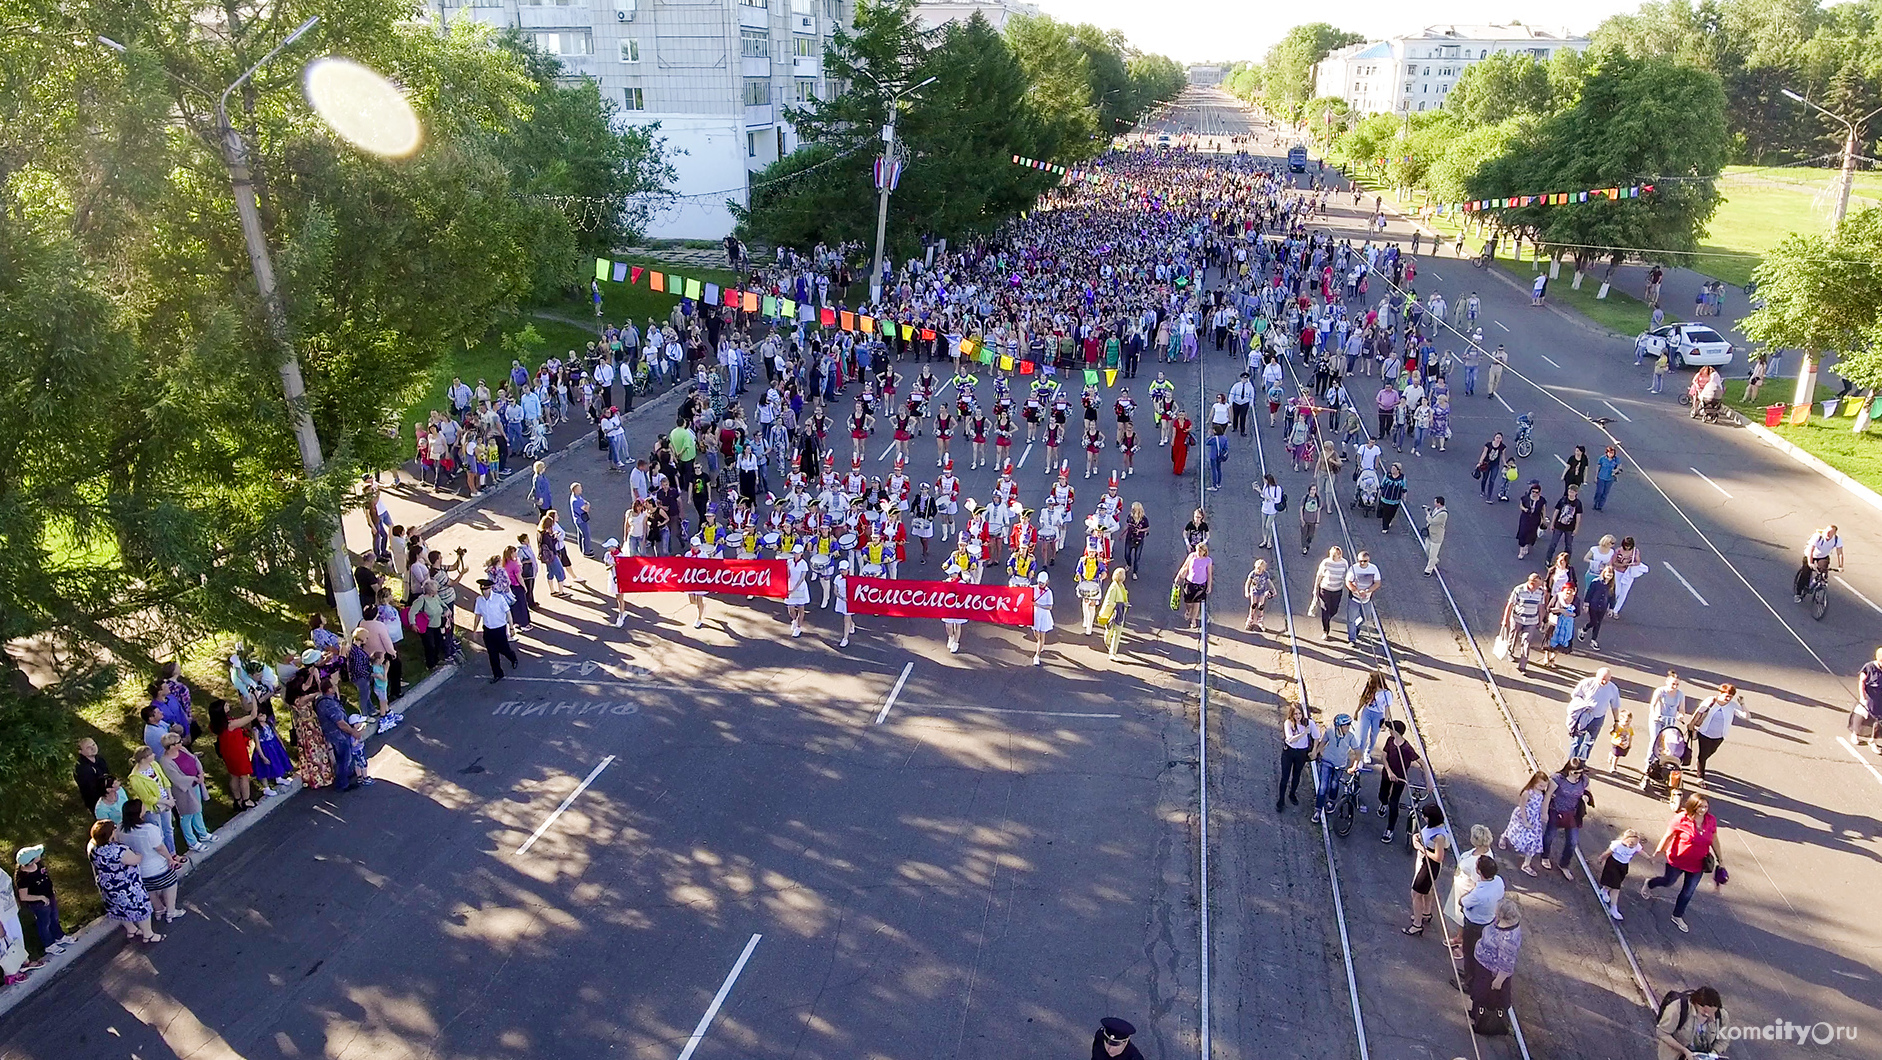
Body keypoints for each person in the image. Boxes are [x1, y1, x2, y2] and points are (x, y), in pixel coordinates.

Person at [1641, 794, 1724, 933]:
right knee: (1668, 882)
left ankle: (1677, 915)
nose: (1703, 810)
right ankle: (1649, 883)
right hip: (1677, 860)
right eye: (1700, 807)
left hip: (1698, 864)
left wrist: (1721, 860)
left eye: (1705, 807)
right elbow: (1668, 836)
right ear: (1692, 806)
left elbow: (1714, 840)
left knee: (1688, 891)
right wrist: (1658, 852)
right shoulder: (1681, 819)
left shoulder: (1711, 820)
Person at [88, 821, 159, 944]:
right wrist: (139, 854)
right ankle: (149, 935)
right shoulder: (118, 850)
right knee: (141, 909)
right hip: (127, 887)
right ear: (110, 834)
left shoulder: (92, 848)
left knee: (120, 909)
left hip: (108, 886)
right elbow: (134, 860)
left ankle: (131, 930)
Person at [119, 799, 184, 923]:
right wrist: (170, 859)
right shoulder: (149, 829)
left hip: (139, 870)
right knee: (170, 884)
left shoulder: (121, 829)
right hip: (157, 868)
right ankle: (171, 911)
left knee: (150, 890)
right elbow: (160, 848)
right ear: (139, 813)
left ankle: (158, 909)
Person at [1468, 897, 1523, 1035]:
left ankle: (1484, 1023)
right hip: (1483, 966)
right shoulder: (1500, 922)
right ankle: (1475, 1012)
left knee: (1485, 997)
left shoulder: (1508, 940)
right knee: (1478, 992)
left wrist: (1498, 981)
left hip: (1491, 973)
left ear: (1502, 915)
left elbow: (1506, 964)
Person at [13, 846, 75, 956]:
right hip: (39, 904)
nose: (39, 856)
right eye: (37, 855)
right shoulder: (23, 877)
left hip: (49, 896)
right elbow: (24, 896)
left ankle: (59, 936)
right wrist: (40, 898)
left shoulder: (38, 865)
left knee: (54, 917)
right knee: (44, 922)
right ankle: (49, 945)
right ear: (31, 862)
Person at [1539, 758, 1592, 880]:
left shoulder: (1584, 780)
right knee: (1549, 836)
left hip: (1572, 814)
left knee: (1572, 841)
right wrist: (1545, 813)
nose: (1578, 775)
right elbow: (1547, 796)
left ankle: (1564, 864)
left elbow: (1589, 794)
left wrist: (1586, 798)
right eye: (1575, 772)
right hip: (1556, 811)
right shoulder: (1558, 779)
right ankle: (1545, 856)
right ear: (1569, 769)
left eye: (1580, 772)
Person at [1687, 683, 1749, 781]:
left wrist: (1742, 704)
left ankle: (1699, 765)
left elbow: (1746, 717)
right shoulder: (1711, 701)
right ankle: (1700, 777)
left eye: (1730, 697)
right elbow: (1699, 712)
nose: (1728, 699)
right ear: (1720, 693)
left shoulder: (1732, 706)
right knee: (1703, 754)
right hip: (1704, 732)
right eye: (1727, 696)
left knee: (1710, 752)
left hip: (1720, 735)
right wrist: (1692, 724)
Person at [1404, 803, 1449, 936]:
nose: (1423, 818)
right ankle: (1426, 913)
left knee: (1416, 893)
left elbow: (1438, 857)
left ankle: (1417, 924)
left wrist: (1420, 847)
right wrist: (1416, 837)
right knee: (1427, 890)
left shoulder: (1439, 836)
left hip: (1429, 864)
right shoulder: (1434, 826)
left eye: (1424, 816)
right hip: (1424, 860)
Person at [1654, 985, 1729, 1060]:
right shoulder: (1677, 1008)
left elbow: (1723, 1040)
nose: (1709, 1015)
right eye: (1705, 1013)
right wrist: (1684, 1051)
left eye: (1713, 1012)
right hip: (1675, 1056)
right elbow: (1663, 1033)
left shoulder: (1722, 1016)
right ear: (1695, 1003)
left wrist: (1713, 1054)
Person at [1312, 713, 1361, 823]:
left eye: (1349, 725)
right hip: (1327, 761)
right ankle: (1318, 809)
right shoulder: (1330, 731)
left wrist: (1354, 766)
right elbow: (1323, 742)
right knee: (1323, 786)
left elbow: (1358, 752)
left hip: (1340, 764)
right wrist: (1317, 752)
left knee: (1334, 784)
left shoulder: (1350, 737)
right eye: (1346, 725)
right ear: (1339, 726)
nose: (1348, 727)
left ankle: (1331, 801)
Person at [1377, 721, 1420, 843]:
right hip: (1387, 775)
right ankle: (1383, 804)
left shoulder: (1407, 749)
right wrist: (1389, 771)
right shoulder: (1390, 740)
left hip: (1400, 780)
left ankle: (1390, 829)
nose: (1389, 730)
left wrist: (1429, 780)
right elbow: (1384, 756)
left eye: (1391, 729)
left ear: (1397, 732)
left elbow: (1421, 762)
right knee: (1382, 795)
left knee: (1393, 803)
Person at [473, 578, 522, 682]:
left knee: (504, 649)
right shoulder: (479, 600)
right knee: (492, 653)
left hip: (500, 629)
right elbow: (477, 615)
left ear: (490, 588)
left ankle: (513, 658)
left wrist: (512, 627)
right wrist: (474, 630)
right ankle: (498, 674)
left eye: (486, 589)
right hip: (488, 630)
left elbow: (508, 613)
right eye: (482, 590)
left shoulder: (499, 598)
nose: (484, 592)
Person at [1567, 668, 1622, 761]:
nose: (1604, 682)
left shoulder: (1613, 688)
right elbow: (1575, 696)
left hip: (1598, 718)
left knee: (1589, 742)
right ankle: (1572, 762)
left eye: (1607, 680)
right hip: (1583, 716)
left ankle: (1582, 762)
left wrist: (1616, 721)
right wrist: (1583, 706)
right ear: (1596, 676)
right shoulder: (1586, 683)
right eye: (1602, 679)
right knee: (1577, 740)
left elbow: (1615, 706)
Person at [1499, 770, 1547, 876]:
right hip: (1522, 817)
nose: (1543, 788)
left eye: (1544, 786)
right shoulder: (1527, 793)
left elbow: (1541, 805)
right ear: (1534, 783)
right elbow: (1522, 806)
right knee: (1513, 832)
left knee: (1533, 841)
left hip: (1534, 820)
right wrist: (1525, 821)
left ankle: (1526, 864)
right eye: (1540, 785)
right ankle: (1504, 836)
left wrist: (1543, 814)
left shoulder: (1541, 793)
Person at [1501, 573, 1546, 672]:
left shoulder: (1540, 592)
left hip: (1531, 620)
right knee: (1513, 637)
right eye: (1538, 585)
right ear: (1531, 583)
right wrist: (1505, 619)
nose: (1540, 587)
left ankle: (1522, 665)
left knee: (1526, 642)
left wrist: (1541, 620)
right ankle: (1510, 651)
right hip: (1517, 619)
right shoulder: (1519, 590)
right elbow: (1510, 604)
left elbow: (1541, 606)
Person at [1276, 703, 1317, 812]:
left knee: (1297, 775)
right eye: (1295, 714)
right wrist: (1304, 733)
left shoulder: (1309, 723)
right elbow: (1290, 739)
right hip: (1289, 752)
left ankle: (1292, 794)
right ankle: (1281, 800)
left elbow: (1316, 737)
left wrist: (1314, 750)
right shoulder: (1288, 723)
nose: (1298, 716)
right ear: (1292, 714)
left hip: (1301, 753)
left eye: (1300, 713)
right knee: (1285, 777)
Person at [1597, 828, 1645, 920]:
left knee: (1614, 883)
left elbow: (1640, 851)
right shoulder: (1617, 845)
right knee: (1616, 886)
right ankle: (1613, 908)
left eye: (1635, 844)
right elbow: (1608, 853)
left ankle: (1604, 890)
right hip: (1613, 864)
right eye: (1631, 843)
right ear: (1624, 839)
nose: (1633, 846)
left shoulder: (1635, 845)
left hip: (1623, 866)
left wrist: (1649, 858)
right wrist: (1601, 858)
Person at [1793, 524, 1843, 601]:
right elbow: (1811, 550)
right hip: (1810, 555)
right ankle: (1798, 593)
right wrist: (1810, 562)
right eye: (1827, 532)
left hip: (1823, 556)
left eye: (1831, 533)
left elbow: (1840, 553)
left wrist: (1840, 566)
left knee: (1823, 572)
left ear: (1834, 534)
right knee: (1805, 574)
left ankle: (1819, 587)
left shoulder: (1837, 539)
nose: (1828, 534)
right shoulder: (1817, 536)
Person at [1343, 550, 1381, 645]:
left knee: (1365, 617)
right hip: (1354, 599)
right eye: (1360, 561)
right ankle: (1352, 639)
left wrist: (1367, 591)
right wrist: (1356, 591)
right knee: (1350, 619)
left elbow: (1377, 583)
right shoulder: (1353, 568)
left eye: (1365, 561)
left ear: (1369, 560)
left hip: (1366, 599)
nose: (1362, 563)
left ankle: (1356, 626)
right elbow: (1348, 582)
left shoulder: (1373, 568)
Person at [1312, 547, 1348, 640]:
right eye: (1335, 555)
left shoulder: (1344, 563)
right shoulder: (1326, 562)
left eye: (1339, 554)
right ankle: (1325, 631)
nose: (1338, 556)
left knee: (1334, 610)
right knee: (1325, 610)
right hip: (1325, 590)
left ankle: (1328, 618)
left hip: (1337, 590)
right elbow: (1319, 575)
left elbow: (1346, 575)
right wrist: (1315, 588)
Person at [1176, 541, 1213, 630]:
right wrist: (1178, 577)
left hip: (1201, 585)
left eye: (1200, 551)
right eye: (1197, 551)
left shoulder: (1208, 560)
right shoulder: (1192, 556)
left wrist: (1209, 586)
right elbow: (1184, 566)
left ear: (1205, 552)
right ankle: (1188, 610)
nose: (1198, 553)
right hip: (1189, 582)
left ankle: (1193, 619)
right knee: (1188, 601)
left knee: (1197, 602)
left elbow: (1209, 574)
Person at [1852, 647, 1882, 751]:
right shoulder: (1869, 667)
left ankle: (1873, 740)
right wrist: (1862, 697)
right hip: (1869, 696)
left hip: (1880, 698)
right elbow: (1862, 681)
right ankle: (1855, 734)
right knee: (1861, 715)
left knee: (1878, 720)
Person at [74, 738, 115, 812]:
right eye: (88, 747)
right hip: (97, 801)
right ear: (80, 751)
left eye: (93, 744)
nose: (93, 748)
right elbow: (91, 790)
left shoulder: (99, 759)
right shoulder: (82, 769)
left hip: (109, 793)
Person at [1097, 567, 1130, 659]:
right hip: (1115, 612)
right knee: (1116, 631)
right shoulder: (1114, 587)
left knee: (1111, 629)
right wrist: (1119, 605)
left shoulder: (1121, 586)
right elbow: (1109, 602)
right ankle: (1112, 653)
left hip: (1119, 611)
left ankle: (1107, 642)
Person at [1515, 481, 1546, 559]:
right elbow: (1521, 505)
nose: (1534, 493)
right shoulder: (1525, 498)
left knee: (1531, 534)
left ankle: (1526, 546)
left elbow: (1543, 510)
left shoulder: (1541, 500)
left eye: (1536, 492)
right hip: (1525, 517)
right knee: (1523, 532)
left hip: (1535, 519)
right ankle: (1521, 551)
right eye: (1533, 491)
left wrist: (1543, 519)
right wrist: (1525, 509)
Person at [1243, 559, 1275, 633]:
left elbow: (1269, 581)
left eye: (1260, 569)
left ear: (1263, 568)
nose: (1258, 570)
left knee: (1261, 606)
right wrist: (1246, 591)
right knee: (1253, 605)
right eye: (1257, 568)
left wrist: (1273, 589)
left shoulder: (1265, 574)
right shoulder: (1253, 574)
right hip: (1254, 591)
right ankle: (1250, 620)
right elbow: (1247, 583)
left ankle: (1260, 621)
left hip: (1262, 592)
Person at [1030, 571, 1054, 666]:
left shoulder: (1049, 592)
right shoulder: (1033, 588)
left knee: (1042, 635)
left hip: (1044, 615)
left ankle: (1037, 655)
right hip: (1035, 614)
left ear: (1046, 582)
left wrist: (1038, 605)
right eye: (1039, 582)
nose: (1040, 584)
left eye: (1042, 583)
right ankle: (1040, 644)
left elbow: (1050, 606)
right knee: (1036, 633)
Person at [1421, 496, 1447, 575]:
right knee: (1427, 550)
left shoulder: (1443, 514)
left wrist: (1427, 514)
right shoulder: (1436, 510)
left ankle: (1428, 570)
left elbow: (1432, 521)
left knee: (1432, 555)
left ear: (1439, 503)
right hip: (1430, 534)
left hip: (1437, 537)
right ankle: (1434, 561)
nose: (1434, 503)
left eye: (1435, 502)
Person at [1591, 445, 1623, 511]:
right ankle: (1596, 503)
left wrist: (1616, 471)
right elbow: (1598, 467)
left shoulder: (1616, 460)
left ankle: (1600, 506)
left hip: (1610, 479)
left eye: (1612, 453)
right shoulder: (1602, 458)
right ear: (1607, 452)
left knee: (1605, 493)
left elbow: (1620, 468)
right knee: (1599, 492)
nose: (1611, 454)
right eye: (1609, 452)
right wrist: (1595, 477)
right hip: (1601, 478)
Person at [1256, 474, 1283, 548]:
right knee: (1263, 525)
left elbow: (1278, 500)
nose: (1264, 481)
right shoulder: (1265, 486)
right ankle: (1264, 540)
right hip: (1265, 508)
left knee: (1268, 525)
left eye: (1265, 480)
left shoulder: (1277, 488)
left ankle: (1269, 540)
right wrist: (1259, 491)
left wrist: (1270, 498)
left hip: (1272, 509)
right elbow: (1263, 495)